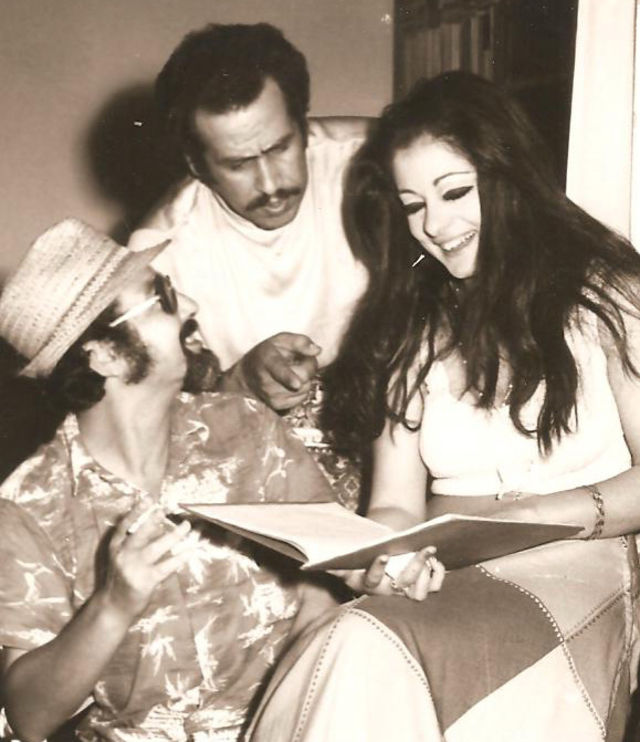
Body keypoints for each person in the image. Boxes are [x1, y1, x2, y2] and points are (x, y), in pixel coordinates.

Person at [248, 72, 640, 741]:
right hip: (446, 573)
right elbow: (395, 507)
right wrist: (384, 560)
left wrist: (532, 516)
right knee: (350, 639)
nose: (434, 225)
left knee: (372, 651)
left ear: (510, 177)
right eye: (413, 206)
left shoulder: (612, 298)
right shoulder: (409, 329)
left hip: (580, 565)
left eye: (455, 192)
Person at [0, 218, 340, 742]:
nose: (190, 307)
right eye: (162, 298)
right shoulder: (28, 507)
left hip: (298, 719)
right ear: (104, 354)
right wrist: (113, 605)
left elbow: (327, 584)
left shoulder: (248, 428)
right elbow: (29, 717)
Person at [127, 23, 370, 509]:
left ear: (303, 123)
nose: (271, 184)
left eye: (281, 148)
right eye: (238, 165)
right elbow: (150, 425)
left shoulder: (374, 162)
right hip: (270, 478)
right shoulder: (157, 254)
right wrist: (237, 385)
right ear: (196, 163)